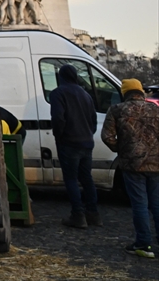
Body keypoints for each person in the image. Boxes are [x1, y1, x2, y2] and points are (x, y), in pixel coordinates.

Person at [102, 78, 159, 258]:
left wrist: (124, 148)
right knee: (157, 205)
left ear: (124, 93)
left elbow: (107, 137)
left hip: (132, 165)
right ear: (141, 92)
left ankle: (143, 244)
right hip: (156, 164)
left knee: (139, 205)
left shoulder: (117, 110)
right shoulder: (156, 109)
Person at [51, 64, 100, 228]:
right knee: (87, 178)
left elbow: (58, 118)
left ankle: (78, 215)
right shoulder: (86, 95)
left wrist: (60, 135)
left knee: (71, 179)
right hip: (86, 142)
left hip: (69, 142)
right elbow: (93, 120)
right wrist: (88, 133)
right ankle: (93, 214)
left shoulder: (58, 93)